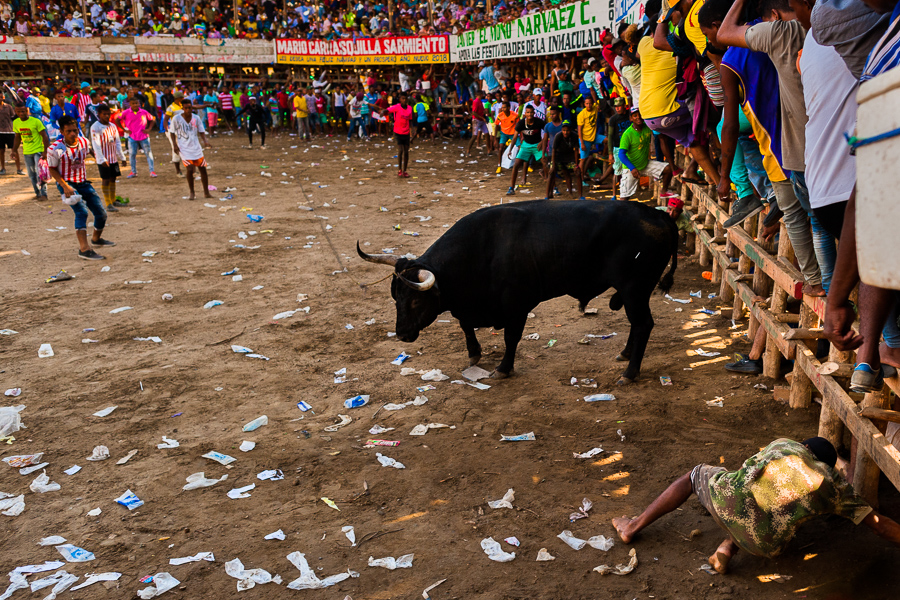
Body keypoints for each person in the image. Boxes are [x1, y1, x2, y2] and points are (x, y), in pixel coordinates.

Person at [612, 437, 900, 573]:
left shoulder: (785, 444)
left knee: (697, 476)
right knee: (774, 510)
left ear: (805, 446)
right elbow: (880, 526)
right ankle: (726, 548)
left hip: (726, 503)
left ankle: (632, 527)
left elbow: (750, 478)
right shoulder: (836, 488)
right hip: (765, 545)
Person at [46, 115, 114, 260]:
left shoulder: (83, 141)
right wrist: (64, 186)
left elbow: (89, 150)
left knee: (101, 213)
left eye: (75, 130)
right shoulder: (55, 149)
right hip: (68, 184)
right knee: (82, 212)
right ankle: (84, 249)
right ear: (62, 131)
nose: (73, 134)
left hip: (83, 182)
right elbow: (52, 169)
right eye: (69, 131)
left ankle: (96, 239)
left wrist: (99, 158)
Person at [618, 108, 673, 201]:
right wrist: (632, 168)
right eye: (635, 116)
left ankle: (664, 191)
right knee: (624, 198)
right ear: (631, 118)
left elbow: (659, 135)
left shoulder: (647, 127)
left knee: (668, 169)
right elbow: (621, 155)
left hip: (644, 164)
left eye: (640, 115)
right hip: (630, 168)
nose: (638, 117)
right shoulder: (627, 134)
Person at [170, 101, 211, 201]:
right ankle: (192, 192)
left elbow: (201, 131)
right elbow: (172, 132)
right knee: (189, 169)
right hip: (184, 148)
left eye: (190, 108)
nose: (188, 110)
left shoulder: (196, 118)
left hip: (196, 147)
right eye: (186, 108)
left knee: (202, 169)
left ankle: (206, 192)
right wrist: (174, 145)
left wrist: (205, 141)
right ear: (182, 108)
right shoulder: (177, 118)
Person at [90, 104, 126, 213]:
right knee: (105, 179)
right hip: (103, 159)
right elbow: (96, 145)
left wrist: (122, 157)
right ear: (99, 114)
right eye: (104, 114)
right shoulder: (95, 127)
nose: (106, 116)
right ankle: (108, 203)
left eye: (108, 114)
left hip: (113, 158)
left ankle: (113, 199)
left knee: (113, 178)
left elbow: (118, 142)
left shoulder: (113, 126)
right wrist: (101, 159)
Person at [12, 103, 51, 199]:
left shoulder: (36, 121)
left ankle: (44, 194)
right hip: (27, 151)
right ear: (16, 112)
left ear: (27, 111)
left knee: (40, 173)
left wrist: (45, 151)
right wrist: (14, 150)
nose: (21, 113)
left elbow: (44, 136)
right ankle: (37, 193)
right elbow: (17, 137)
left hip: (38, 150)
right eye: (19, 111)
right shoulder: (16, 122)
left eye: (23, 111)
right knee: (31, 175)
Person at [506, 104, 544, 195]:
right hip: (526, 145)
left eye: (531, 112)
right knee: (516, 164)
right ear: (525, 113)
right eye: (528, 112)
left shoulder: (539, 122)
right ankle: (511, 188)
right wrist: (510, 149)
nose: (530, 114)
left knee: (545, 163)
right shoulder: (521, 123)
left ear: (534, 113)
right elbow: (515, 137)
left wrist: (542, 142)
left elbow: (547, 132)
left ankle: (554, 187)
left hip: (537, 145)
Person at [545, 120, 583, 200]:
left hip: (569, 157)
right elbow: (554, 150)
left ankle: (579, 195)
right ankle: (547, 195)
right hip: (558, 157)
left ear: (570, 130)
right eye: (564, 130)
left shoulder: (575, 136)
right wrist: (553, 164)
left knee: (577, 173)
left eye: (567, 130)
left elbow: (576, 150)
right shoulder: (558, 136)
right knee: (551, 172)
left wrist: (576, 164)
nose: (566, 132)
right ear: (562, 130)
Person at [120, 97, 156, 179]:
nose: (135, 105)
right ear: (130, 104)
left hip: (144, 137)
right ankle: (133, 171)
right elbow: (117, 119)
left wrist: (149, 129)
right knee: (132, 154)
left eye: (137, 103)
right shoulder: (125, 112)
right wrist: (123, 129)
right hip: (132, 137)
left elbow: (152, 119)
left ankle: (152, 171)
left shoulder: (144, 112)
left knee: (148, 153)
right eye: (133, 103)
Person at [607, 97, 632, 199]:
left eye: (619, 106)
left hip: (630, 146)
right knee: (617, 171)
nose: (617, 108)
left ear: (624, 106)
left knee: (629, 170)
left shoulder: (630, 116)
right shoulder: (613, 119)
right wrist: (610, 153)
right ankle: (614, 194)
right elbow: (610, 136)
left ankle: (628, 192)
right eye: (616, 107)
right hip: (618, 147)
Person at [577, 95, 601, 187]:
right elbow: (579, 130)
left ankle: (607, 154)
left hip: (594, 136)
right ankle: (581, 179)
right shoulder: (581, 115)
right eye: (587, 104)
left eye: (590, 103)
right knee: (583, 160)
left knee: (607, 140)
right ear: (584, 104)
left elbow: (598, 103)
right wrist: (582, 143)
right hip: (585, 138)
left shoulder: (595, 107)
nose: (589, 105)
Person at [387, 92, 413, 178]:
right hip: (398, 132)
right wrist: (382, 111)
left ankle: (405, 170)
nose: (404, 100)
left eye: (405, 99)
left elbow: (410, 121)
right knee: (400, 150)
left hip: (406, 132)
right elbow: (388, 110)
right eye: (403, 98)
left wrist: (411, 134)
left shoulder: (409, 108)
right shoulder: (397, 107)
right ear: (400, 99)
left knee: (406, 152)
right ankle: (399, 169)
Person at [162, 90, 184, 177]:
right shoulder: (171, 108)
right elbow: (166, 119)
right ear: (177, 98)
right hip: (174, 132)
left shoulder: (182, 106)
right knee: (176, 149)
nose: (182, 99)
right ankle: (178, 171)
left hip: (183, 131)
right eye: (181, 98)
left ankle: (192, 170)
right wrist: (166, 129)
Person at [494, 100, 519, 175]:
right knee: (501, 148)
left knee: (521, 147)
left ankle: (524, 164)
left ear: (508, 107)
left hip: (513, 134)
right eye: (502, 108)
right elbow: (496, 126)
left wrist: (520, 135)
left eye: (504, 107)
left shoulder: (515, 115)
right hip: (504, 134)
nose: (502, 109)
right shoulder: (500, 115)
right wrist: (495, 138)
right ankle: (499, 165)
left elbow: (518, 125)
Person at [0, 95, 21, 175]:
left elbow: (13, 117)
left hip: (9, 131)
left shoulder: (8, 107)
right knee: (1, 151)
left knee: (14, 150)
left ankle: (18, 169)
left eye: (1, 97)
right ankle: (2, 168)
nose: (0, 98)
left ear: (4, 97)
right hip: (0, 132)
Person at [466, 91, 491, 157]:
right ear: (480, 95)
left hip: (480, 119)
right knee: (474, 136)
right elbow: (474, 113)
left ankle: (489, 150)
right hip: (477, 120)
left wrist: (485, 112)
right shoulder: (476, 102)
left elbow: (480, 111)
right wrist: (482, 118)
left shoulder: (479, 101)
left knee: (487, 134)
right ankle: (468, 150)